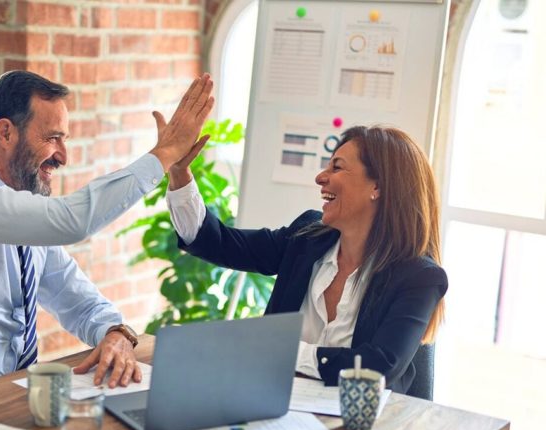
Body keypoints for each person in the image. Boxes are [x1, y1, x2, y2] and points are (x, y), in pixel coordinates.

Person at [0, 70, 213, 401]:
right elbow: (71, 221)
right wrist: (164, 154)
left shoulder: (28, 227)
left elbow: (80, 301)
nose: (63, 156)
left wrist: (116, 332)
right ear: (6, 133)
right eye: (53, 138)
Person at [165, 125, 447, 394]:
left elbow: (377, 367)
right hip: (275, 407)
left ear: (378, 187)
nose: (321, 177)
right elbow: (218, 243)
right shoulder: (307, 238)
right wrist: (179, 174)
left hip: (363, 429)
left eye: (337, 167)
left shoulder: (418, 277)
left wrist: (283, 351)